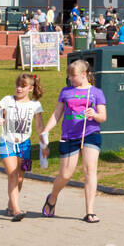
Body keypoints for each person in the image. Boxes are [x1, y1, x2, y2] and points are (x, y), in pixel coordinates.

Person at [40, 59, 107, 223]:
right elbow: (57, 114)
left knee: (89, 170)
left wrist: (94, 115)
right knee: (65, 174)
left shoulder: (96, 93)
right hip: (69, 136)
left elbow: (103, 117)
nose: (70, 79)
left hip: (90, 133)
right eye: (69, 76)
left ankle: (89, 211)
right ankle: (52, 198)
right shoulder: (66, 92)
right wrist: (46, 130)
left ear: (84, 75)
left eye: (73, 76)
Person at [0, 73, 44, 221]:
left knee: (20, 178)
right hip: (7, 141)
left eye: (23, 86)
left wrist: (44, 144)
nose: (19, 88)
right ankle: (16, 210)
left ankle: (10, 206)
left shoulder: (35, 105)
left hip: (24, 144)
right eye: (17, 85)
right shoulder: (7, 100)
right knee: (13, 174)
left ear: (30, 88)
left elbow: (39, 126)